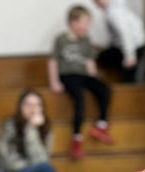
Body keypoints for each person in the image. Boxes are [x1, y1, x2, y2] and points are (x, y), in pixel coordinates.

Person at [48, 5, 114, 161]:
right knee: (80, 98)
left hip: (83, 75)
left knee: (105, 90)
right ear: (73, 23)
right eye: (85, 23)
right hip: (68, 75)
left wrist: (95, 77)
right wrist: (54, 81)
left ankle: (101, 125)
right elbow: (53, 61)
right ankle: (77, 138)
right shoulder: (61, 40)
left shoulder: (86, 40)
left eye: (88, 23)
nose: (88, 27)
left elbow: (90, 62)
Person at [92, 0, 145, 82]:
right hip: (133, 46)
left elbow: (126, 34)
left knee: (128, 75)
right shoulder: (114, 9)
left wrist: (130, 56)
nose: (97, 3)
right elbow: (116, 36)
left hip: (133, 47)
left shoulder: (114, 12)